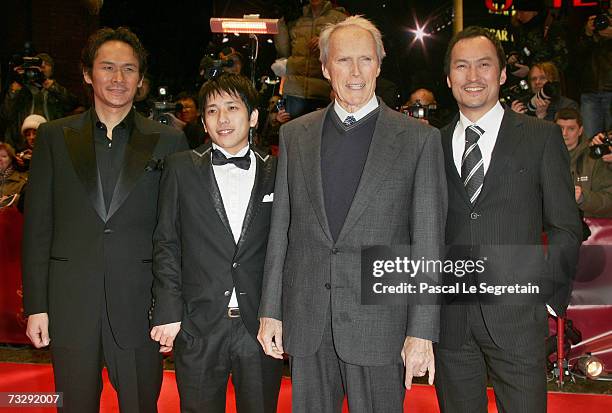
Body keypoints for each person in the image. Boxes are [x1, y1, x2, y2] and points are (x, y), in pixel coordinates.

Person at [257, 16, 447, 412]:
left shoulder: (419, 140)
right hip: (307, 320)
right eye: (343, 60)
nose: (355, 72)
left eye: (365, 59)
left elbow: (428, 240)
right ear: (326, 68)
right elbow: (282, 231)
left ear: (379, 64)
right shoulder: (295, 136)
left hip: (381, 324)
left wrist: (422, 331)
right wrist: (271, 311)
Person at [22, 27, 188, 413]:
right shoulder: (53, 137)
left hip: (139, 307)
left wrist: (170, 307)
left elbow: (175, 233)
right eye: (107, 67)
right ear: (87, 74)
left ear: (141, 79)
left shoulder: (168, 141)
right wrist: (37, 305)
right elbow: (38, 228)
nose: (118, 78)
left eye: (129, 69)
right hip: (69, 304)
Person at [436, 26, 582, 412]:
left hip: (518, 320)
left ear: (501, 74)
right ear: (449, 78)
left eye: (484, 65)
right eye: (461, 66)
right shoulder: (430, 144)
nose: (472, 76)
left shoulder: (541, 138)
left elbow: (566, 226)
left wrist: (549, 298)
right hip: (450, 323)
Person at [151, 72, 282, 412]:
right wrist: (168, 309)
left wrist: (279, 313)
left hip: (259, 328)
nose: (222, 118)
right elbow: (167, 241)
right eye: (211, 110)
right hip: (198, 325)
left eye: (232, 107)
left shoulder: (279, 172)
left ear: (253, 116)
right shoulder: (180, 169)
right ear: (204, 122)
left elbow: (288, 248)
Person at [275, 0, 347, 118]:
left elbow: (348, 53)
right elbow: (284, 52)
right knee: (294, 134)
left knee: (320, 134)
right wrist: (280, 23)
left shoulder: (339, 19)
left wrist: (326, 42)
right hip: (295, 90)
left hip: (323, 91)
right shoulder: (296, 16)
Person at [1, 52, 78, 151]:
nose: (41, 68)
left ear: (52, 70)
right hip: (24, 145)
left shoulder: (55, 90)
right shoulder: (21, 90)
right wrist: (15, 87)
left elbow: (72, 104)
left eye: (45, 65)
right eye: (37, 66)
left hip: (52, 143)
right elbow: (6, 114)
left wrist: (49, 84)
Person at [555, 108, 612, 218]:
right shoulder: (542, 156)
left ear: (580, 130)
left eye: (571, 128)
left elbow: (609, 199)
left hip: (588, 227)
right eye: (560, 128)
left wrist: (583, 198)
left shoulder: (595, 158)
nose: (564, 133)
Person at [576, 8, 612, 139]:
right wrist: (587, 34)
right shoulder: (593, 29)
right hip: (590, 90)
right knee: (589, 140)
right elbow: (577, 55)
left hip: (610, 90)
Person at [511, 62, 578, 121]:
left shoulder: (567, 106)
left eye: (542, 78)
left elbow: (565, 134)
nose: (537, 82)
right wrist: (514, 119)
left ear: (553, 80)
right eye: (533, 79)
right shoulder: (523, 105)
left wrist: (543, 116)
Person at [0, 143, 28, 209]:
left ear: (11, 159)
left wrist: (15, 200)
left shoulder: (22, 180)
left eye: (4, 156)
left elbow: (32, 203)